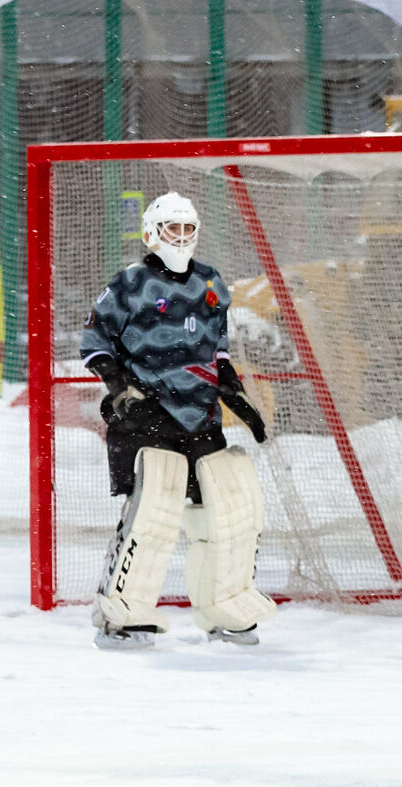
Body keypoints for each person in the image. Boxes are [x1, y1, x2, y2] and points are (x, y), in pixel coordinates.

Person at [80, 191, 276, 649]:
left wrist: (232, 390)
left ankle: (225, 607)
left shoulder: (210, 282)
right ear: (152, 233)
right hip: (146, 416)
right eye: (173, 228)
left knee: (227, 511)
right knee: (154, 512)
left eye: (189, 228)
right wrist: (120, 387)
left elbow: (217, 347)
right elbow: (94, 342)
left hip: (201, 418)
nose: (182, 237)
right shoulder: (130, 284)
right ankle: (122, 615)